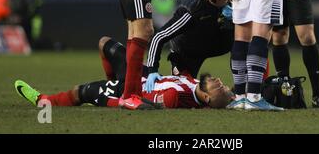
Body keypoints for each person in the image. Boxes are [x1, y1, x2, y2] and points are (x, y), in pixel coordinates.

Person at [14, 36, 234, 109]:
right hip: (137, 73)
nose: (219, 81)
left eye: (219, 88)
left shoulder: (174, 97)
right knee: (104, 43)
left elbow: (140, 100)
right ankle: (110, 81)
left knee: (79, 92)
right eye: (222, 84)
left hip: (126, 89)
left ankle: (44, 101)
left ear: (206, 97)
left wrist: (111, 99)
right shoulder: (193, 83)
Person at [144, 0, 233, 91]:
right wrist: (152, 70)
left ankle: (242, 90)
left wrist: (236, 17)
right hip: (187, 51)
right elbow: (158, 37)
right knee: (182, 90)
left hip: (213, 42)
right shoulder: (190, 12)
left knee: (241, 41)